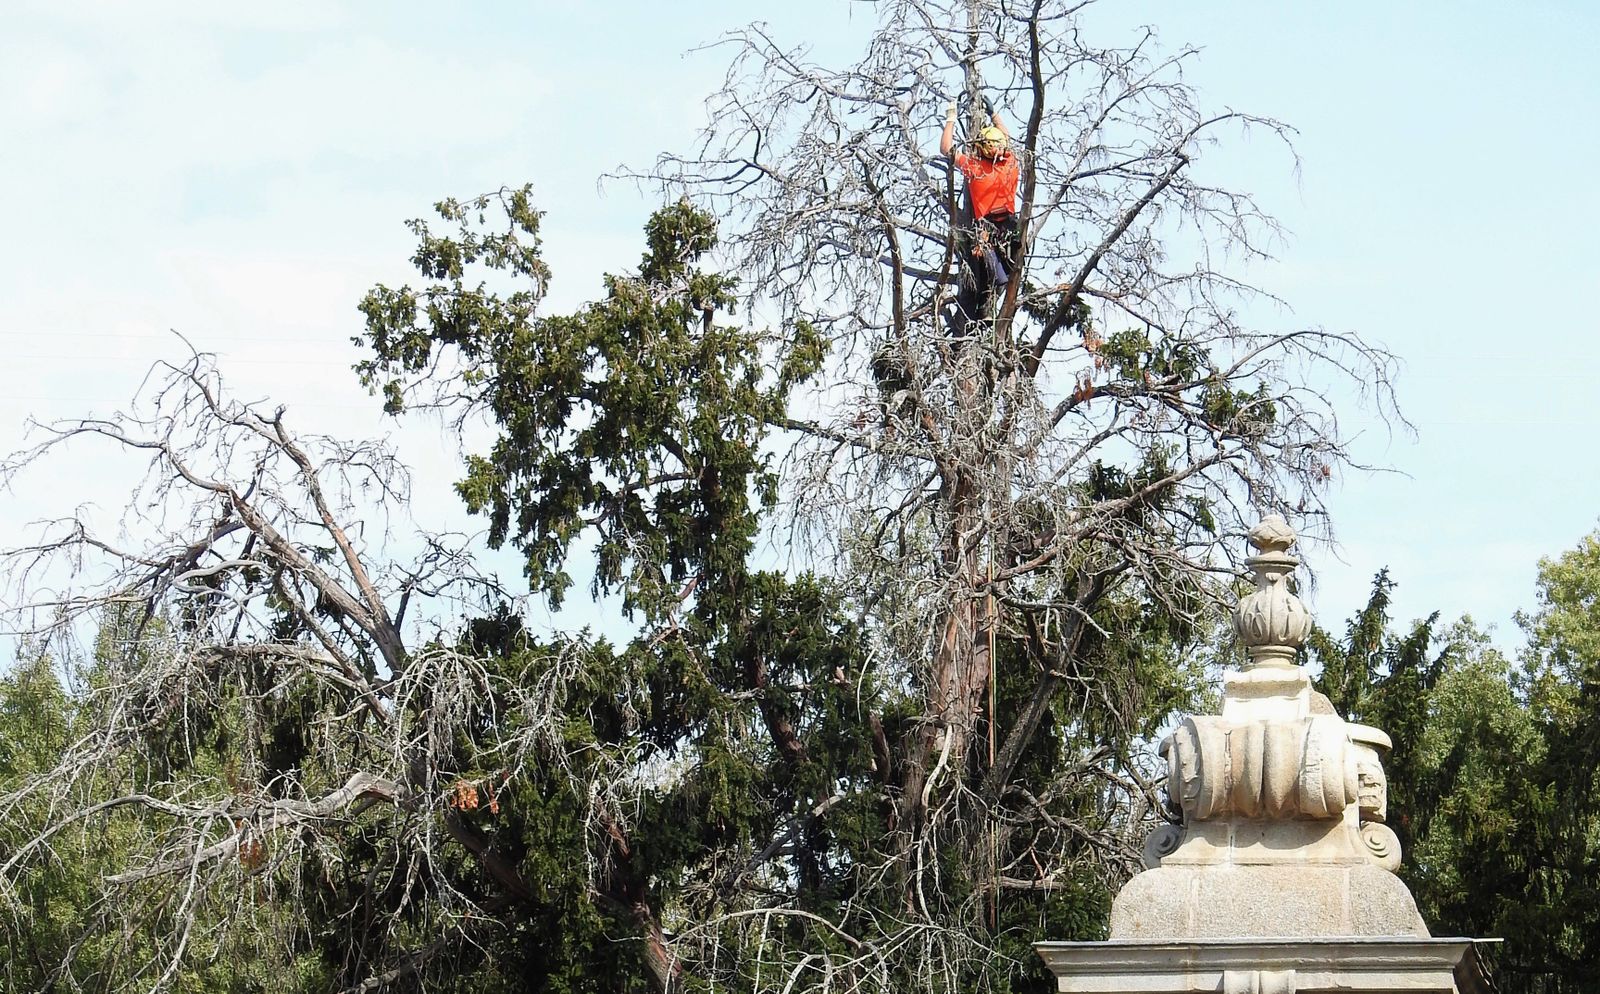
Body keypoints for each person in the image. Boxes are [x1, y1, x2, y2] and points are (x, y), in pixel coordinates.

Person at [941, 96, 1019, 311]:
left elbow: (946, 148)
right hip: (1010, 228)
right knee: (1003, 274)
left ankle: (981, 310)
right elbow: (1006, 138)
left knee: (978, 286)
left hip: (986, 232)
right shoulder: (1011, 164)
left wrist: (950, 118)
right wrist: (994, 114)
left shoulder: (974, 168)